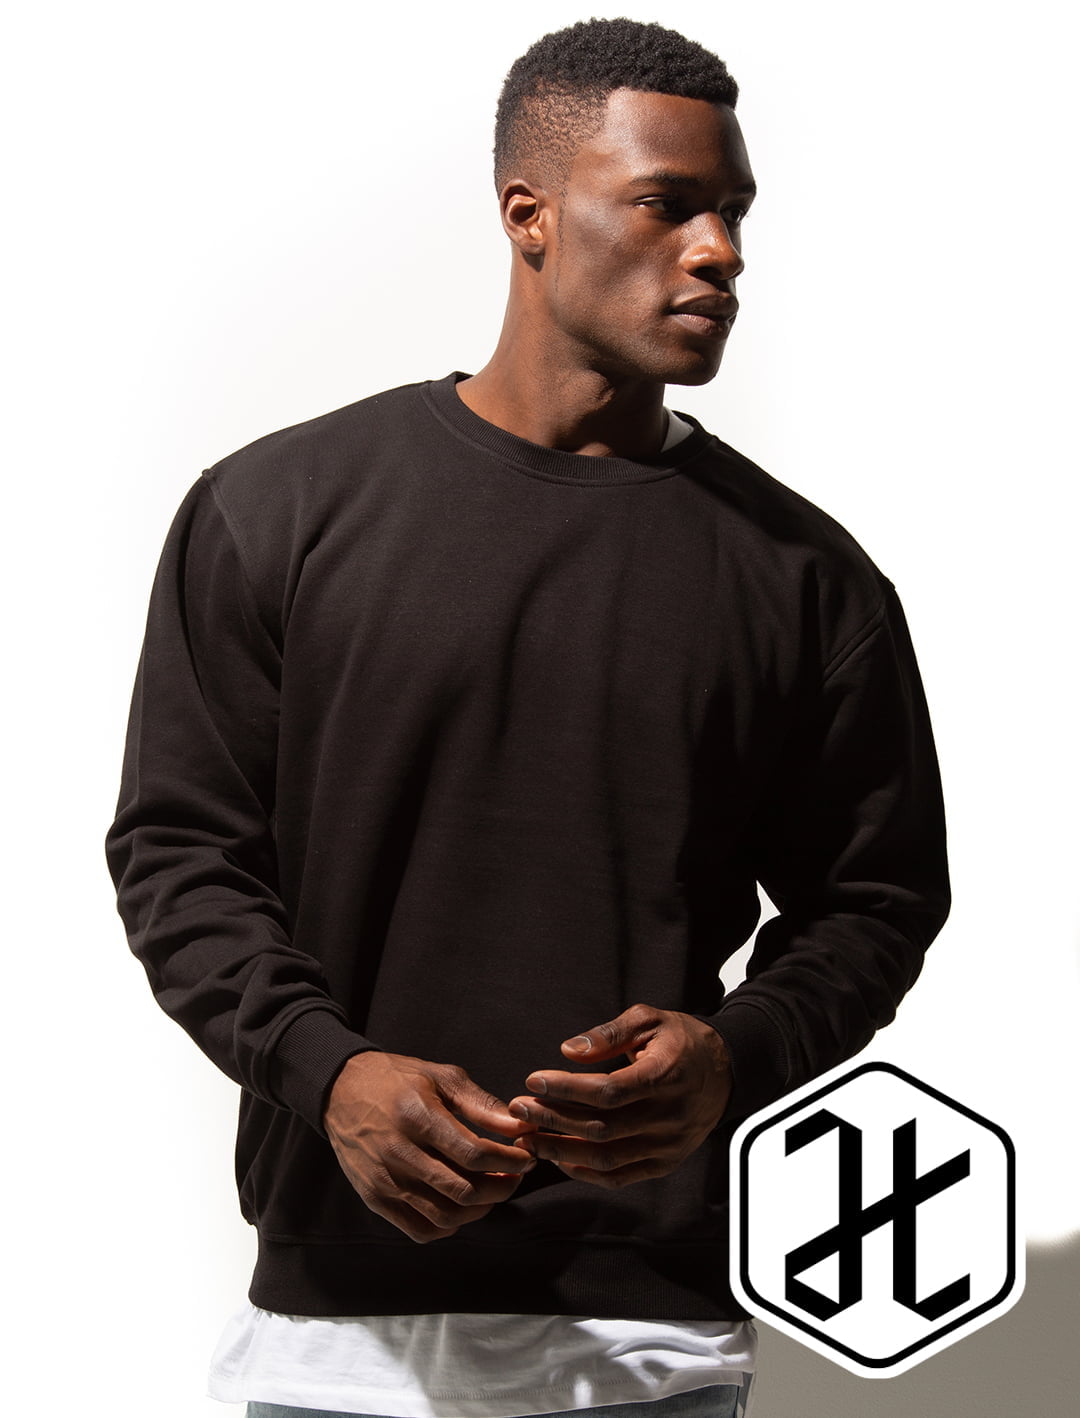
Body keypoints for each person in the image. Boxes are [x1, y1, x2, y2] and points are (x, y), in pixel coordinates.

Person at [106, 17, 950, 1418]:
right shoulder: (277, 513)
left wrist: (734, 1055)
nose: (721, 252)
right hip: (338, 1340)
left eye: (735, 213)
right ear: (530, 216)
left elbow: (876, 899)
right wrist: (330, 1073)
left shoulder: (809, 580)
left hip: (654, 1349)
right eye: (668, 204)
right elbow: (180, 857)